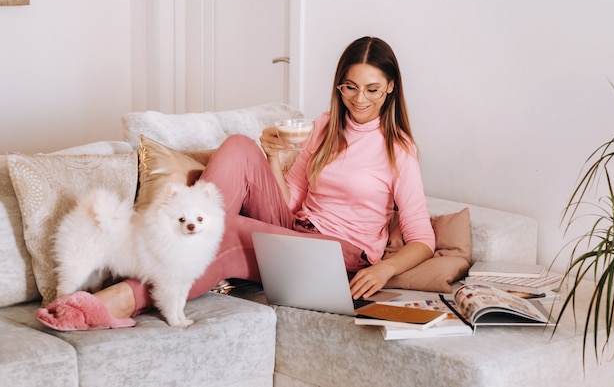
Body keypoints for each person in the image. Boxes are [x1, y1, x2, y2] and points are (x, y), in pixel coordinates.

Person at [36, 36, 436, 330]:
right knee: (241, 146)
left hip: (340, 255)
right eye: (350, 87)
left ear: (390, 88)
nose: (359, 99)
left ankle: (112, 302)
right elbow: (292, 201)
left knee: (228, 231)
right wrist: (275, 158)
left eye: (372, 89)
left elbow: (422, 237)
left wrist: (384, 271)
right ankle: (172, 253)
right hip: (295, 229)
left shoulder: (398, 149)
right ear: (338, 86)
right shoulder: (323, 127)